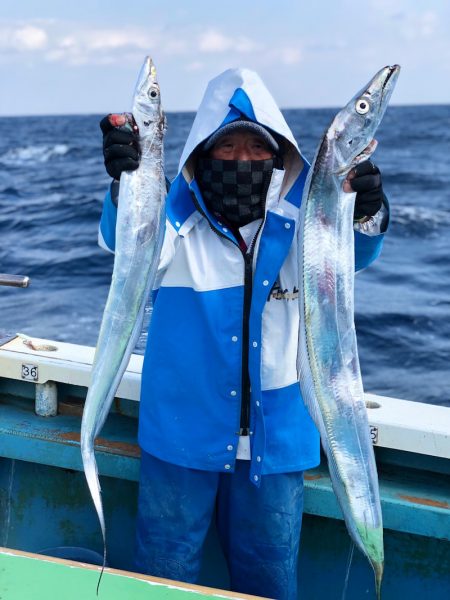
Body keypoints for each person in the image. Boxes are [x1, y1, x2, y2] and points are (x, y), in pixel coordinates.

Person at [98, 68, 389, 600]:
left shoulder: (306, 225)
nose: (241, 160)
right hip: (178, 438)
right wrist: (127, 182)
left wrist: (365, 211)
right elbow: (128, 246)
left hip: (277, 446)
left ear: (279, 155)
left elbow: (358, 255)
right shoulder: (174, 221)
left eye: (256, 148)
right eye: (225, 146)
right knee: (161, 581)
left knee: (269, 585)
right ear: (201, 157)